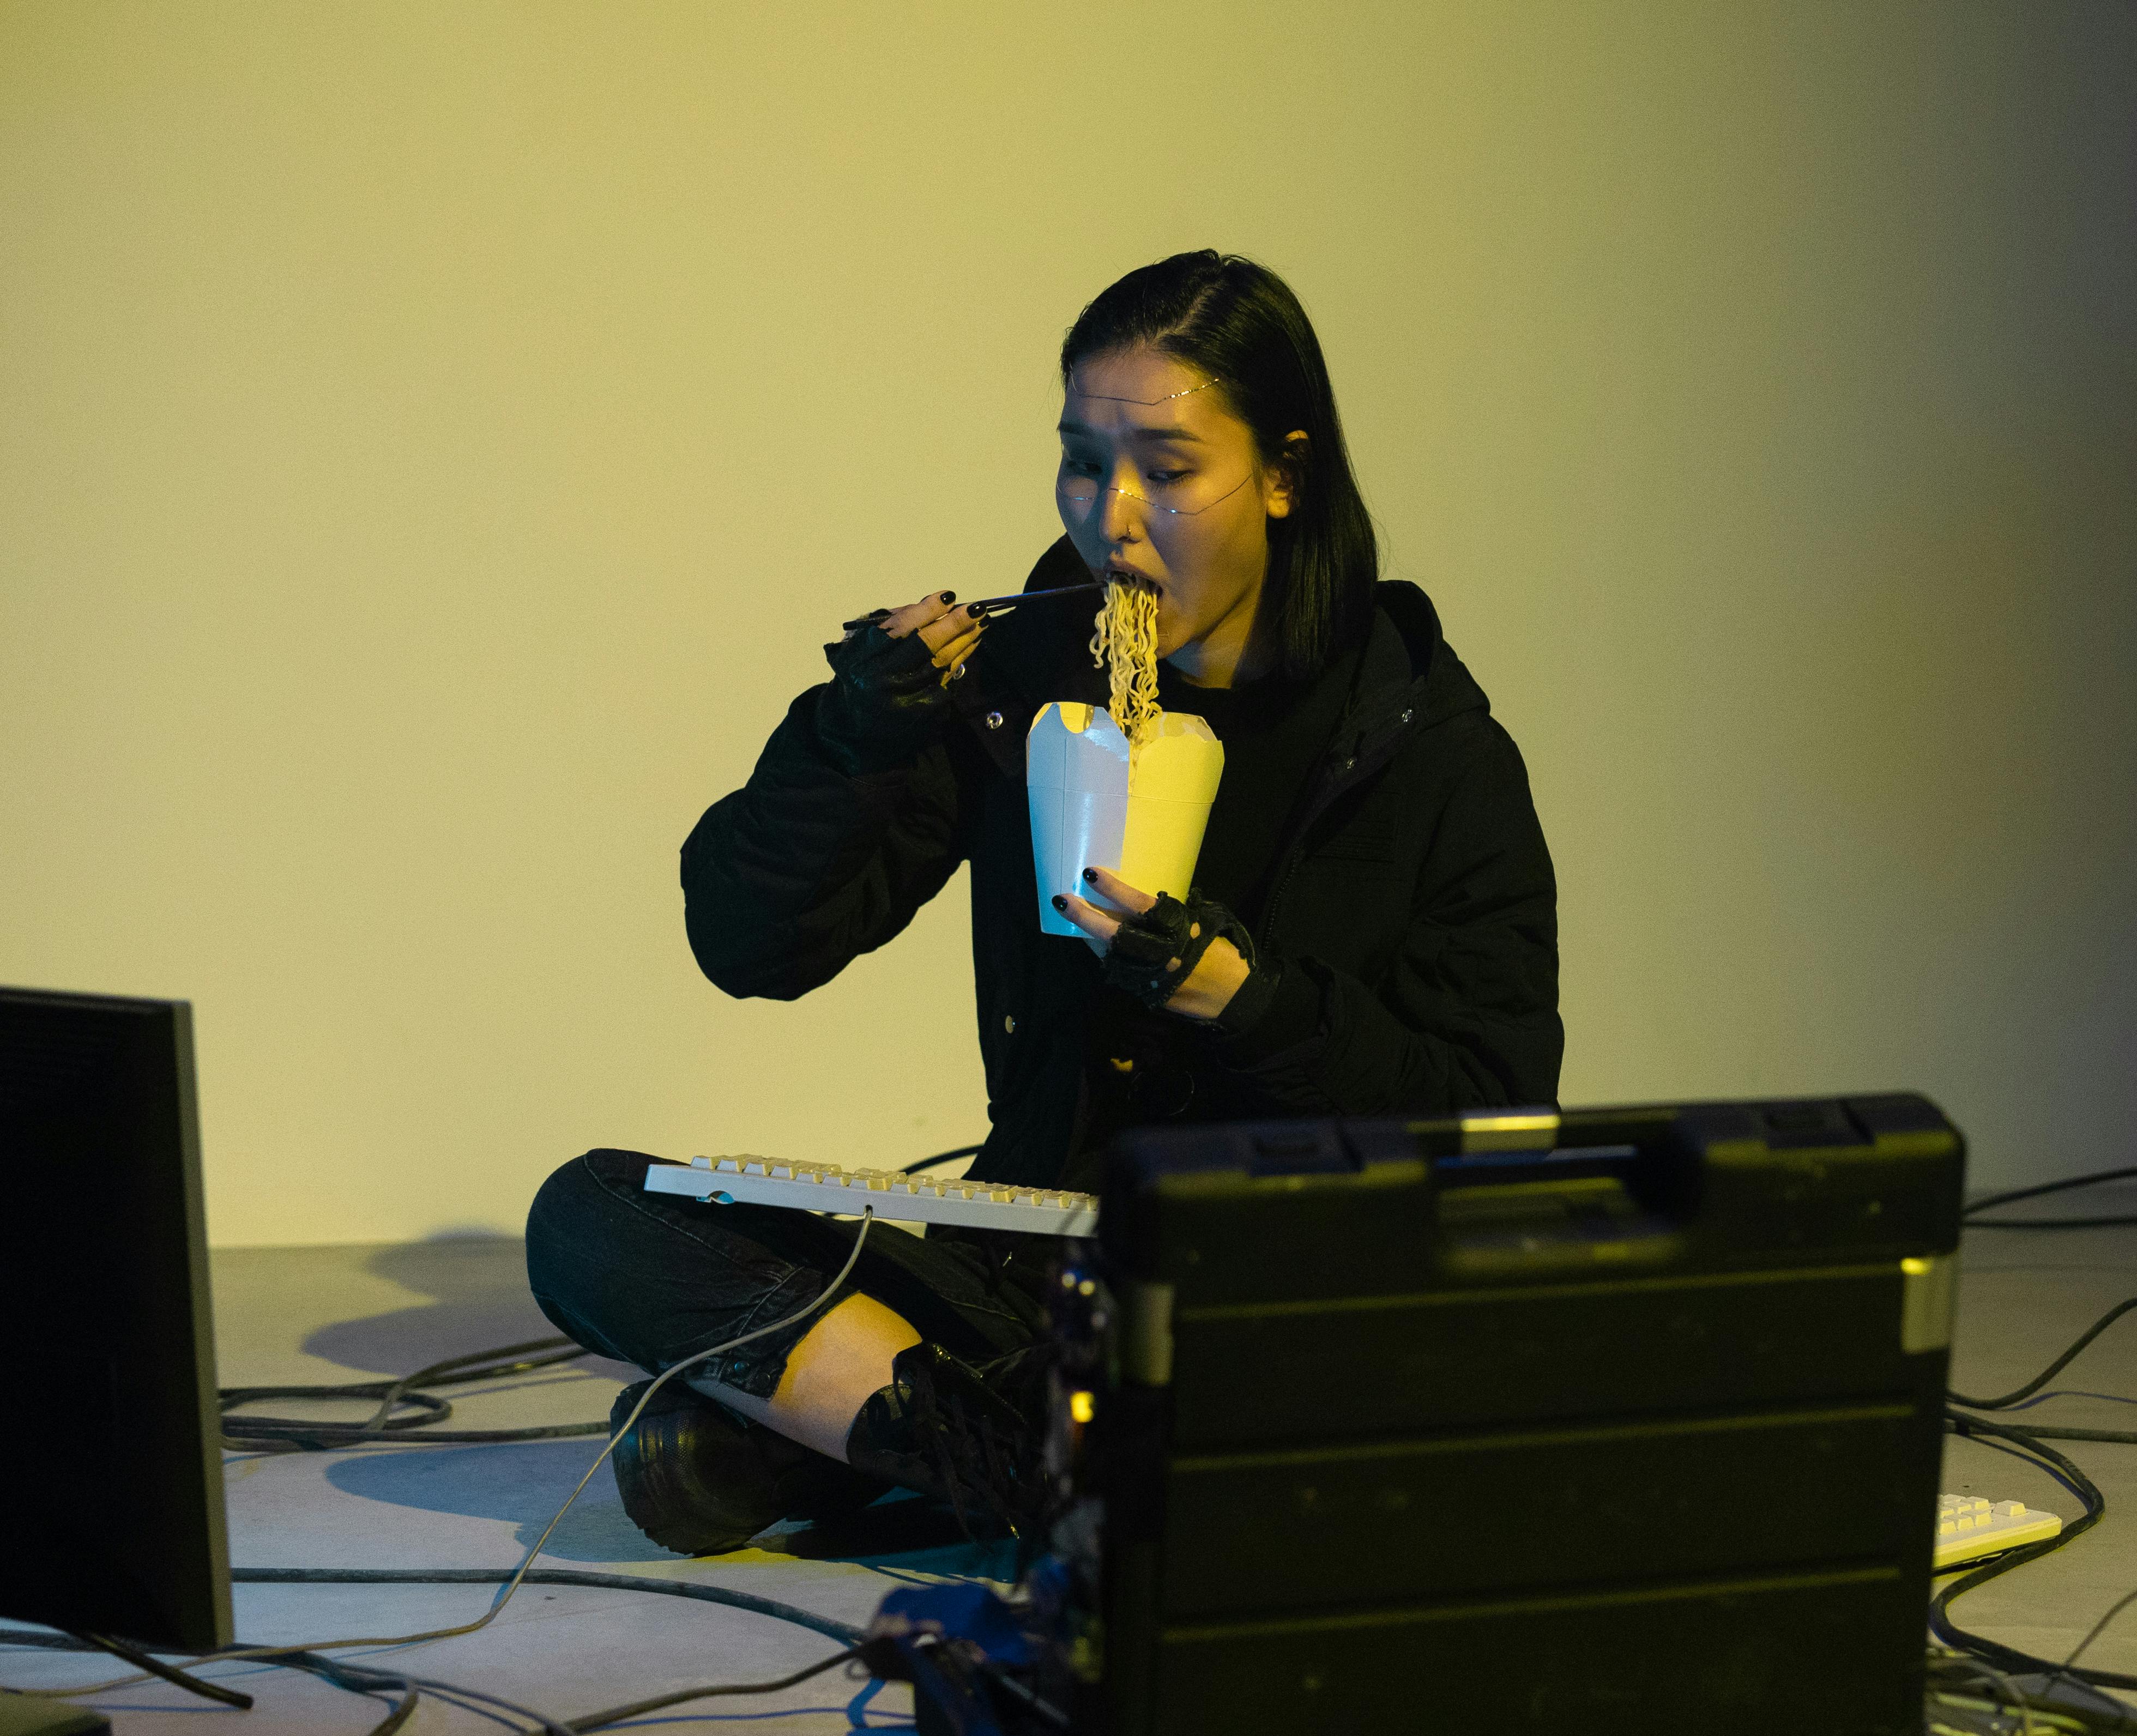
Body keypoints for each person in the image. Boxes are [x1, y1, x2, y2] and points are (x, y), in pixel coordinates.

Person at [523, 251, 1562, 1555]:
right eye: (1083, 461)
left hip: (1283, 1295)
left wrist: (1250, 1002)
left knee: (702, 1457)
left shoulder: (1428, 751)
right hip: (1037, 1264)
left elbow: (1494, 1120)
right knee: (595, 1216)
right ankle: (1032, 1458)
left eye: (1168, 471)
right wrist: (855, 736)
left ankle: (861, 1438)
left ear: (1285, 475)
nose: (1110, 516)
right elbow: (753, 945)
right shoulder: (1026, 687)